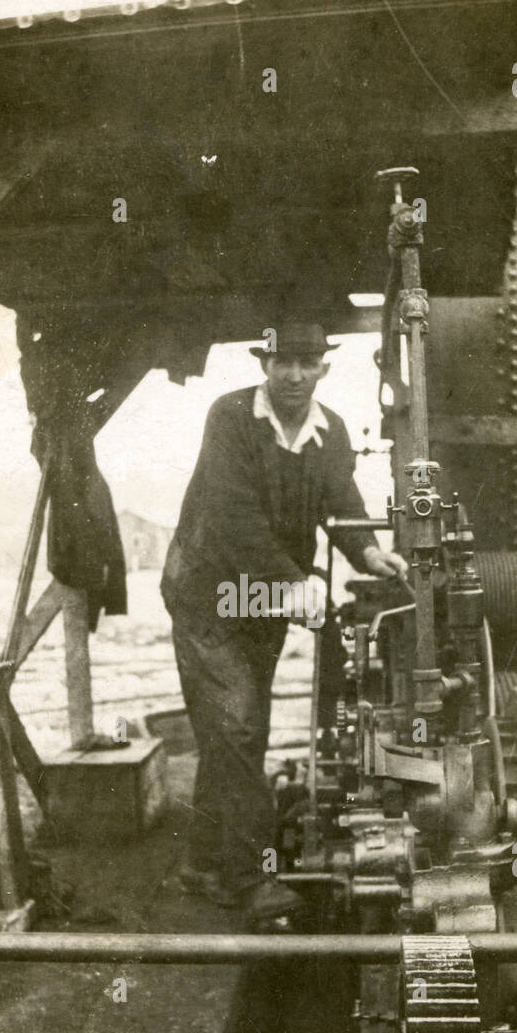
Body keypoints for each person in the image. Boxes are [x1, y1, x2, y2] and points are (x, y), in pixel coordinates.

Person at [161, 318, 407, 927]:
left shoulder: (331, 433)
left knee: (236, 733)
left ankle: (200, 862)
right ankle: (250, 881)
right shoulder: (230, 418)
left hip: (264, 604)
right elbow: (232, 517)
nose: (293, 374)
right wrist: (297, 582)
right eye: (282, 363)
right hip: (209, 595)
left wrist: (370, 553)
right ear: (263, 367)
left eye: (306, 363)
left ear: (323, 367)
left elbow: (340, 502)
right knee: (239, 729)